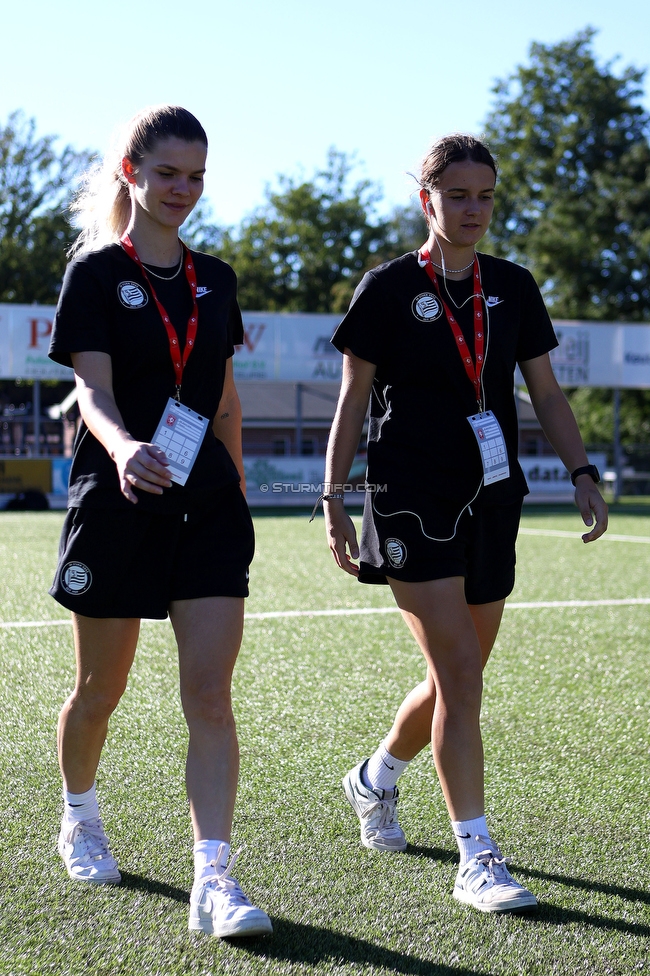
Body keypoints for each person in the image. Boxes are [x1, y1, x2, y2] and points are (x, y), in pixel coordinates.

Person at [323, 133, 608, 913]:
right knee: (461, 676)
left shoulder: (513, 286)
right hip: (409, 499)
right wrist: (335, 496)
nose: (473, 208)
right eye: (458, 195)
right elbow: (352, 399)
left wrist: (581, 471)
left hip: (492, 497)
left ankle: (373, 779)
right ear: (428, 199)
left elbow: (545, 394)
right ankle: (476, 856)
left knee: (458, 676)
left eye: (485, 195)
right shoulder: (385, 289)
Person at [48, 105, 272, 939]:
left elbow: (223, 398)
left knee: (210, 698)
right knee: (100, 690)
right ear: (131, 171)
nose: (184, 190)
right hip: (119, 501)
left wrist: (238, 485)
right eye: (169, 173)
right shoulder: (97, 276)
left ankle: (213, 879)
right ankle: (80, 812)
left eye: (197, 176)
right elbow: (94, 397)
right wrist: (121, 446)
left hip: (207, 507)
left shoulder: (217, 278)